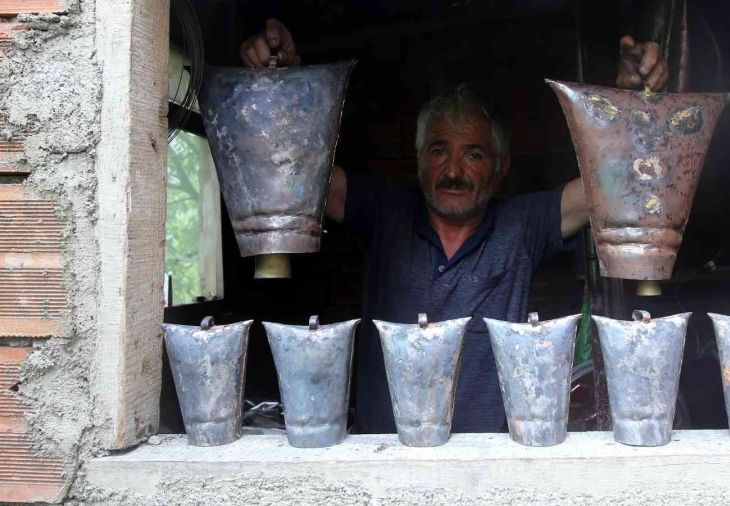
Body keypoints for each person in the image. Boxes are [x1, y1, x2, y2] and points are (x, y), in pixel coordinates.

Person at [240, 19, 668, 433]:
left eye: (474, 155)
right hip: (382, 458)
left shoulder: (522, 225)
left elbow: (612, 180)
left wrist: (628, 106)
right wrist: (283, 90)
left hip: (484, 463)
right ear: (419, 160)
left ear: (500, 168)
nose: (453, 171)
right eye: (439, 151)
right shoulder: (386, 213)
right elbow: (293, 169)